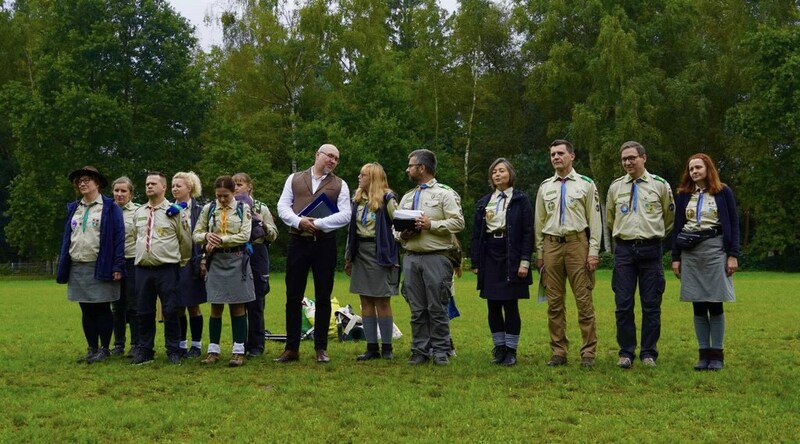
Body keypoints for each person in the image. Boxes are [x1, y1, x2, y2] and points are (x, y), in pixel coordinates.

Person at [275, 144, 352, 363]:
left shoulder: (340, 184)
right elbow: (282, 207)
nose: (333, 161)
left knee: (323, 296)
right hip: (297, 242)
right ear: (317, 155)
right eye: (330, 156)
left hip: (324, 244)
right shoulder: (294, 178)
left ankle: (321, 348)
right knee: (293, 296)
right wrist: (299, 222)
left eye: (337, 159)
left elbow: (346, 215)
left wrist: (317, 223)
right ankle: (291, 348)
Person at [606, 141, 675, 369]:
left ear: (643, 158)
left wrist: (651, 236)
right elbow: (610, 218)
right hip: (624, 250)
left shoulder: (660, 185)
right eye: (624, 159)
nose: (628, 162)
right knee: (623, 304)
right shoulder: (615, 187)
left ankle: (648, 353)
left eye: (632, 158)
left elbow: (669, 218)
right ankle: (626, 353)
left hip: (651, 250)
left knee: (651, 304)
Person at [534, 140, 602, 368]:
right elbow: (539, 222)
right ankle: (559, 352)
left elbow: (595, 221)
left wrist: (593, 251)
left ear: (571, 156)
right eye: (552, 154)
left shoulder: (586, 184)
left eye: (560, 153)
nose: (556, 157)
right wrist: (540, 252)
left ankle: (588, 353)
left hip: (577, 244)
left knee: (583, 300)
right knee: (554, 302)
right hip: (551, 245)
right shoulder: (545, 186)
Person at [671, 153, 739, 371]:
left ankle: (716, 355)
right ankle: (703, 355)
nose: (694, 171)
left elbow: (733, 223)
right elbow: (678, 225)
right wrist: (676, 257)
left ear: (708, 169)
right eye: (691, 169)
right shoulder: (683, 195)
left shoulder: (723, 192)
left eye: (698, 167)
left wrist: (733, 254)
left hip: (715, 249)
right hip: (691, 252)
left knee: (715, 303)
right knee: (698, 304)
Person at [397, 149, 465, 366]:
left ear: (422, 168)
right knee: (417, 309)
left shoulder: (445, 194)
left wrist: (431, 225)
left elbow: (458, 223)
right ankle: (419, 351)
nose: (407, 169)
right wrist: (402, 234)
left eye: (410, 165)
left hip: (437, 257)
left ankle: (441, 351)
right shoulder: (407, 196)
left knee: (437, 307)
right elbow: (394, 228)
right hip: (411, 257)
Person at [57, 166, 125, 363]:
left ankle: (104, 349)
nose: (82, 183)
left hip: (101, 265)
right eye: (79, 181)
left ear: (97, 183)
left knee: (102, 308)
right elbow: (67, 238)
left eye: (87, 179)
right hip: (78, 266)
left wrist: (117, 266)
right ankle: (92, 348)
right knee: (86, 309)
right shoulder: (74, 208)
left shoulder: (110, 207)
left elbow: (118, 238)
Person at [470, 158, 533, 366]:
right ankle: (499, 348)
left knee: (510, 304)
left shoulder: (520, 200)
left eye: (502, 171)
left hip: (511, 254)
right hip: (490, 253)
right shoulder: (484, 202)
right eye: (494, 171)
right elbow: (476, 234)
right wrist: (476, 261)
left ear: (510, 174)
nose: (498, 174)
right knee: (493, 304)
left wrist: (525, 261)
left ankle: (511, 350)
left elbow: (527, 232)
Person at [193, 176, 255, 367]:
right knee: (216, 305)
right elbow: (196, 234)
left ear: (233, 193)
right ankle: (213, 350)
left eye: (225, 196)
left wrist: (221, 240)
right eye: (218, 196)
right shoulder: (208, 209)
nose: (221, 200)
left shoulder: (243, 209)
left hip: (237, 259)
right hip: (216, 261)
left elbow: (245, 235)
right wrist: (206, 236)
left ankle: (238, 351)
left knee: (237, 306)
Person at [130, 171, 192, 365]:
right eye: (147, 183)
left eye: (153, 184)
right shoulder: (139, 213)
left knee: (172, 310)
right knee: (143, 311)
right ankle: (145, 350)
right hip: (142, 269)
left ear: (164, 187)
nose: (149, 186)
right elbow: (135, 237)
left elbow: (185, 241)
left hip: (167, 268)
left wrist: (179, 262)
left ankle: (173, 350)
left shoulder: (174, 211)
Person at [344, 163, 400, 361]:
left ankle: (387, 347)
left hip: (380, 254)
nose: (359, 177)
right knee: (365, 299)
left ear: (373, 178)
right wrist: (348, 257)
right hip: (360, 253)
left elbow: (399, 226)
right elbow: (351, 231)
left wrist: (394, 253)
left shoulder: (388, 199)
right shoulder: (357, 199)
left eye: (363, 175)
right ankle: (371, 347)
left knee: (382, 300)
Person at [233, 172, 279, 358]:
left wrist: (263, 224)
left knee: (257, 301)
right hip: (236, 254)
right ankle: (239, 344)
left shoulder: (261, 207)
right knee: (237, 301)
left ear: (250, 186)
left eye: (240, 184)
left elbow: (274, 235)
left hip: (258, 254)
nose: (236, 187)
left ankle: (256, 346)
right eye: (234, 184)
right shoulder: (228, 207)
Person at [171, 171, 207, 358]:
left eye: (179, 185)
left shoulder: (200, 210)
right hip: (172, 263)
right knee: (177, 306)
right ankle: (181, 344)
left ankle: (196, 345)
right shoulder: (168, 209)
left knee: (193, 305)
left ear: (190, 188)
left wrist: (203, 260)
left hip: (192, 263)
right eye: (173, 186)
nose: (175, 189)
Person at [110, 176, 141, 357]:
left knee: (133, 305)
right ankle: (118, 344)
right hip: (114, 263)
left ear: (130, 193)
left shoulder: (138, 211)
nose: (119, 194)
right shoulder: (107, 211)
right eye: (117, 190)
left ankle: (136, 344)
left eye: (123, 191)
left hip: (132, 262)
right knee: (117, 306)